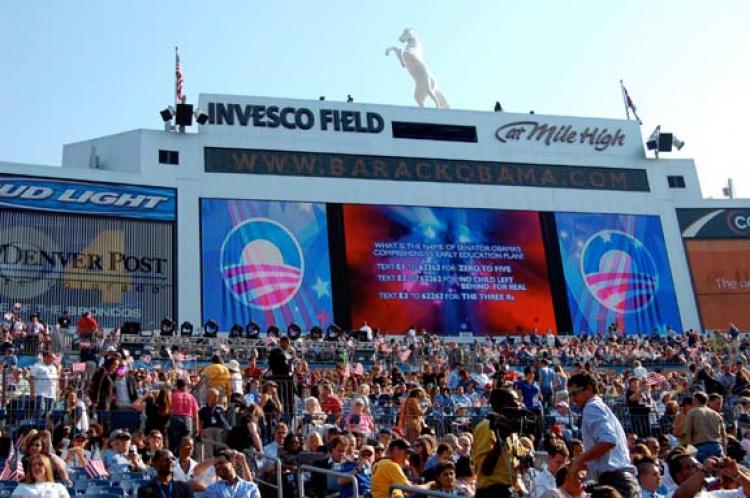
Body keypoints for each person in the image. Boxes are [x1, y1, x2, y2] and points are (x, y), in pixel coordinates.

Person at [567, 372, 639, 498]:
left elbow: (608, 441)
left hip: (616, 483)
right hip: (623, 482)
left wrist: (579, 460)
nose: (572, 399)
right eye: (570, 395)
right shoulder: (600, 407)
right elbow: (604, 455)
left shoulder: (591, 408)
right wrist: (579, 465)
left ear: (589, 389)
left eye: (575, 393)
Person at [472, 387, 529, 498]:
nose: (519, 404)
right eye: (515, 400)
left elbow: (518, 454)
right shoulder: (486, 426)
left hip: (510, 489)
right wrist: (500, 441)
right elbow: (485, 469)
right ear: (501, 404)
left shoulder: (510, 427)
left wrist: (525, 457)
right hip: (491, 492)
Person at [684, 391, 726, 462]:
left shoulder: (692, 412)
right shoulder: (716, 414)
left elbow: (688, 435)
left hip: (701, 448)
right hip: (716, 447)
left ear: (695, 400)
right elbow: (724, 436)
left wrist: (689, 454)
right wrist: (724, 452)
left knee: (703, 472)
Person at [168, 378, 200, 452]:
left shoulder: (173, 396)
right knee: (186, 443)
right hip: (187, 420)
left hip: (175, 419)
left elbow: (169, 410)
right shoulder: (191, 397)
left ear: (177, 386)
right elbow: (196, 414)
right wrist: (197, 427)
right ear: (185, 386)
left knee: (174, 443)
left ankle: (174, 459)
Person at [29, 351, 59, 416]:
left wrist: (56, 393)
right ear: (45, 357)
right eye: (51, 358)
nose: (52, 359)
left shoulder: (54, 368)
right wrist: (32, 392)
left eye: (53, 358)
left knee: (49, 415)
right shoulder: (37, 365)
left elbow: (55, 381)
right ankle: (37, 426)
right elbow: (31, 378)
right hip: (40, 394)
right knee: (40, 413)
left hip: (51, 395)